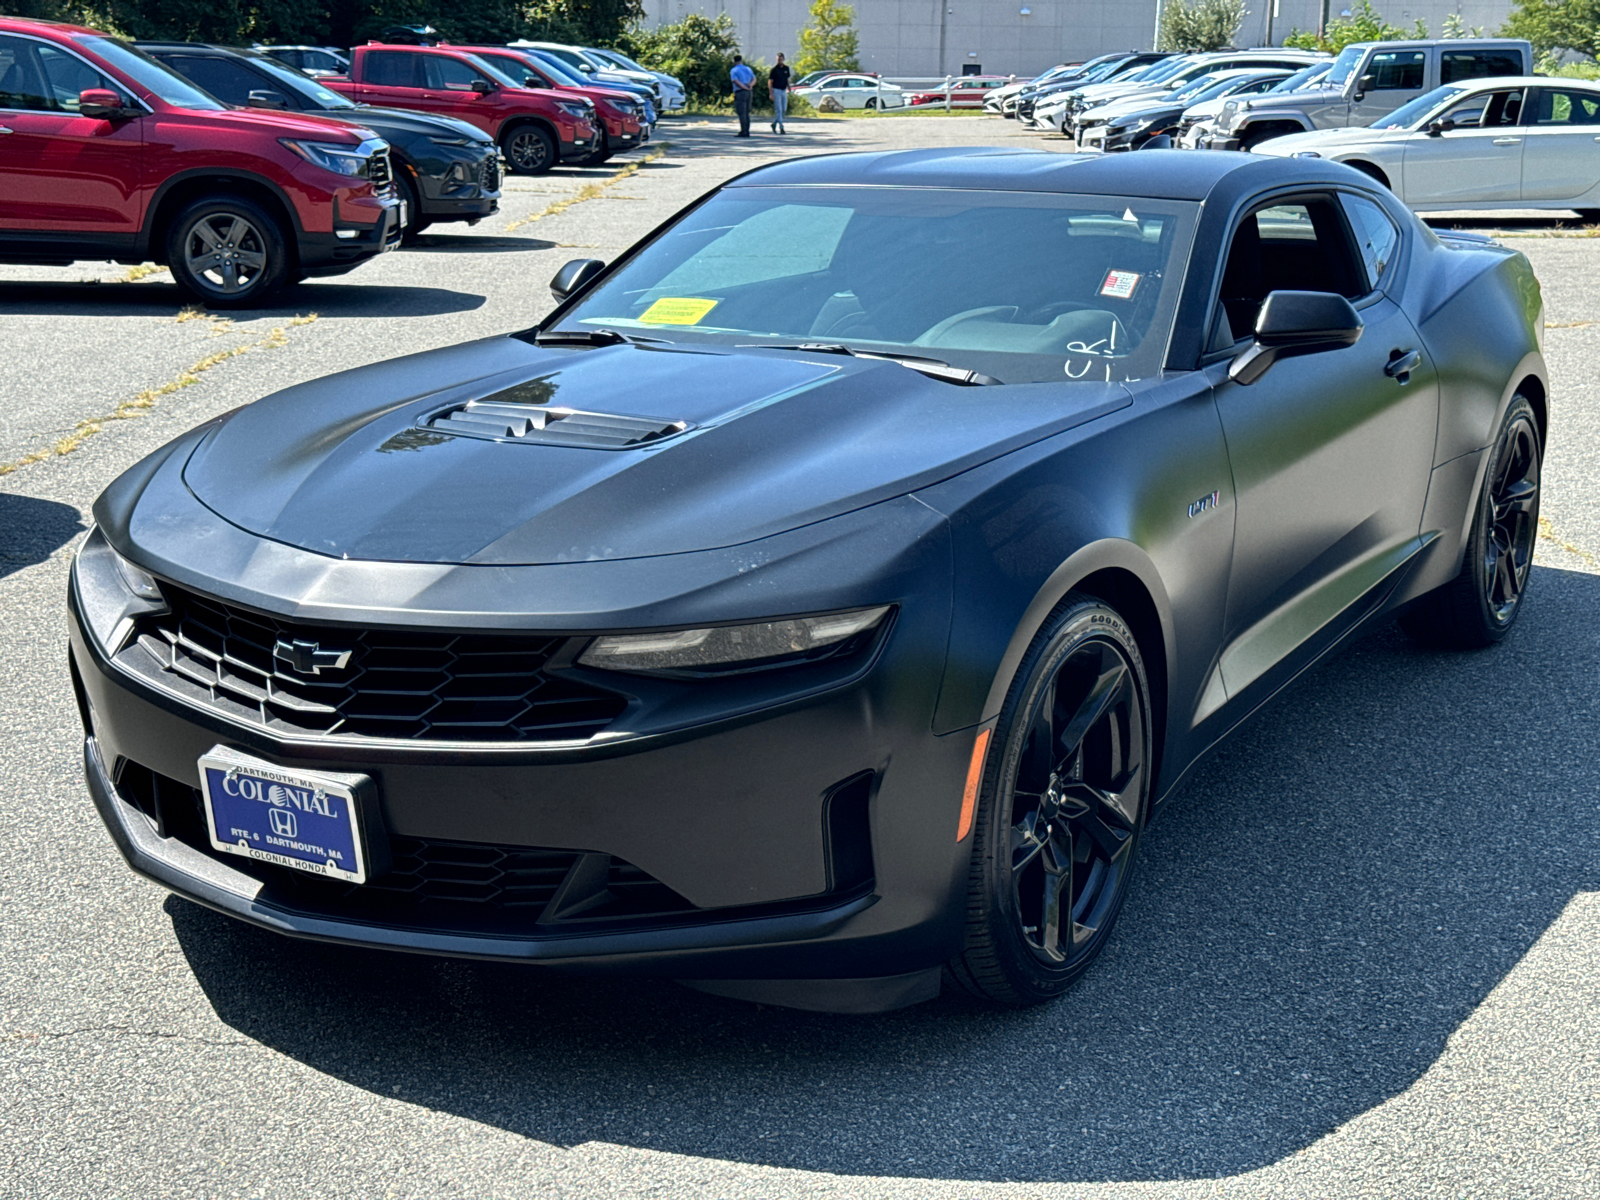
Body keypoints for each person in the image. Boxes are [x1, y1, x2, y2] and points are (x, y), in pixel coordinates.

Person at [729, 54, 755, 137]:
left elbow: (735, 81)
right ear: (741, 60)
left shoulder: (734, 70)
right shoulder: (748, 69)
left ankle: (743, 131)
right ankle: (747, 130)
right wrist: (750, 86)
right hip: (749, 91)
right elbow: (754, 78)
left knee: (742, 112)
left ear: (734, 61)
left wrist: (743, 87)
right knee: (747, 112)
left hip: (740, 91)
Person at [769, 52, 790, 133]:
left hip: (783, 90)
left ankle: (774, 123)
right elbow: (770, 81)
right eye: (778, 59)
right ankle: (781, 127)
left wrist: (789, 87)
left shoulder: (786, 68)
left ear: (783, 59)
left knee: (784, 109)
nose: (779, 61)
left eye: (781, 59)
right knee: (779, 110)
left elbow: (787, 79)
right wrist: (771, 93)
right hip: (776, 90)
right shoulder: (774, 70)